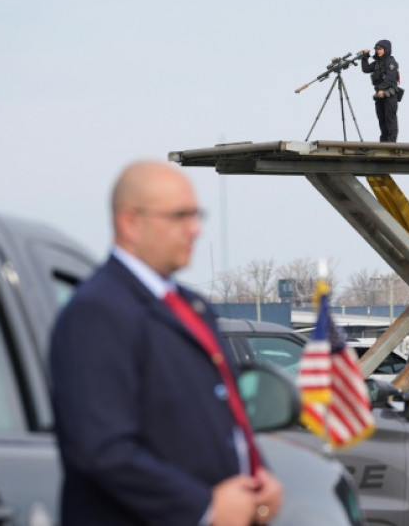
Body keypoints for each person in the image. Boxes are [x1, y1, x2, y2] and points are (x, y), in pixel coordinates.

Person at [50, 160, 282, 526]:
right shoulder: (97, 311)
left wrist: (258, 474)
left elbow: (225, 415)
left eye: (196, 215)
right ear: (131, 223)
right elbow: (103, 448)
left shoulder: (193, 307)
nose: (194, 229)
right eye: (179, 216)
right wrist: (203, 508)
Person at [361, 39, 400, 142]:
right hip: (380, 94)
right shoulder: (377, 63)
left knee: (390, 117)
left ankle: (391, 140)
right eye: (377, 49)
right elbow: (366, 69)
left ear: (386, 49)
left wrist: (382, 89)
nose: (378, 51)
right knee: (381, 118)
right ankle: (384, 139)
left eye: (380, 49)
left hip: (390, 93)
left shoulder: (391, 62)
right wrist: (364, 57)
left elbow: (390, 78)